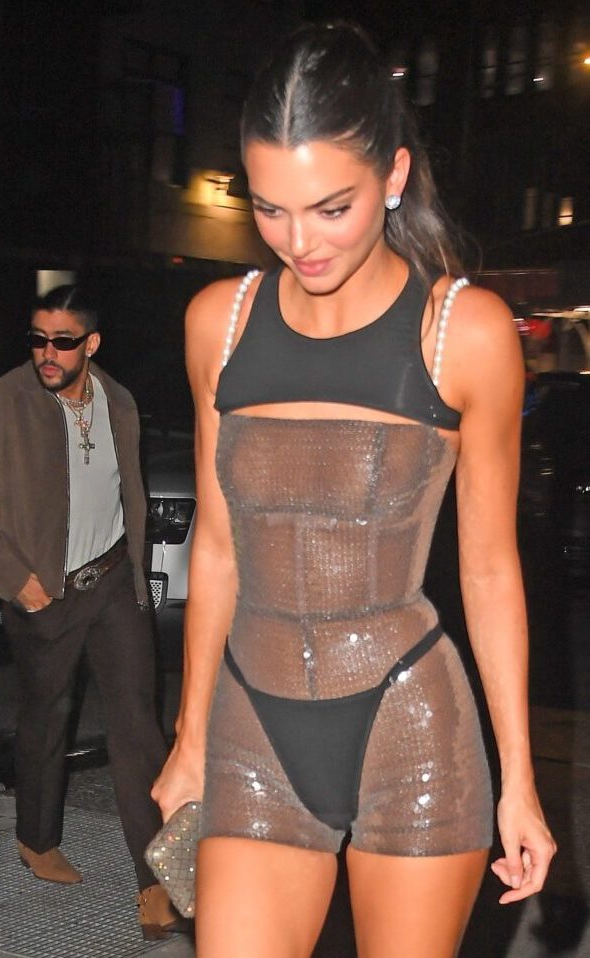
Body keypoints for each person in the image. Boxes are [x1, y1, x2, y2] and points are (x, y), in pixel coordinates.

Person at [151, 21, 557, 958]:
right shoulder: (220, 323)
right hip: (252, 726)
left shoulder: (463, 333)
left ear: (394, 175)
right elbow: (217, 547)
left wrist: (519, 781)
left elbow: (489, 570)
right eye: (270, 209)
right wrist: (189, 736)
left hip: (408, 724)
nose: (300, 242)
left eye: (331, 207)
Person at [0, 285, 182, 940]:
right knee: (47, 717)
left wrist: (134, 567)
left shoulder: (116, 400)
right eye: (38, 339)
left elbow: (127, 489)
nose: (47, 353)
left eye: (63, 341)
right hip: (45, 591)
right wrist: (16, 581)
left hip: (112, 581)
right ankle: (36, 838)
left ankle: (155, 878)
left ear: (90, 344)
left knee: (139, 727)